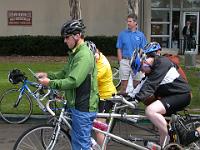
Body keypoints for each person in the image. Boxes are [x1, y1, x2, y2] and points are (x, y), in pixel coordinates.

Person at [36, 19, 99, 150]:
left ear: (77, 35)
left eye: (66, 37)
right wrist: (48, 75)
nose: (65, 40)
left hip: (83, 107)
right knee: (77, 143)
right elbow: (65, 72)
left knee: (81, 146)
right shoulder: (76, 53)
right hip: (75, 104)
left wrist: (50, 83)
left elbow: (73, 81)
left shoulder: (84, 55)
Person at [131, 42, 191, 147]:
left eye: (141, 69)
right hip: (171, 96)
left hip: (181, 95)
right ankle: (167, 145)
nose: (142, 72)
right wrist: (123, 97)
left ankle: (168, 136)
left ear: (145, 62)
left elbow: (150, 86)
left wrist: (136, 100)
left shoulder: (162, 63)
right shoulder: (152, 69)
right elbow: (140, 87)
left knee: (150, 110)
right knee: (161, 128)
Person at [85, 40, 117, 147]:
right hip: (98, 95)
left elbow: (90, 80)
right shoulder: (96, 59)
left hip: (106, 97)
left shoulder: (102, 64)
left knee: (99, 127)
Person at [116, 13, 147, 94]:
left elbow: (143, 50)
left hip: (137, 62)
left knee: (136, 84)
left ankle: (133, 102)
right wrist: (120, 61)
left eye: (130, 21)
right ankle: (122, 103)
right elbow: (119, 48)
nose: (128, 23)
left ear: (135, 23)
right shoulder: (122, 34)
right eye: (127, 21)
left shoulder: (140, 35)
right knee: (123, 85)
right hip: (125, 61)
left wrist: (141, 62)